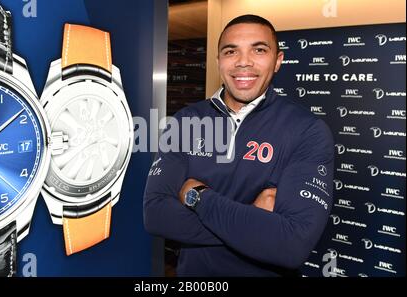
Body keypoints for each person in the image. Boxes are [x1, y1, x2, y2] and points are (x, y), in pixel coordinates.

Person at [143, 14, 334, 276]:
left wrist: (198, 196)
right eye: (231, 51)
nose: (244, 62)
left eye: (259, 49)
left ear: (278, 61)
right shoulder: (187, 119)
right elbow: (156, 215)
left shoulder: (307, 130)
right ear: (219, 60)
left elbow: (291, 244)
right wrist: (251, 218)